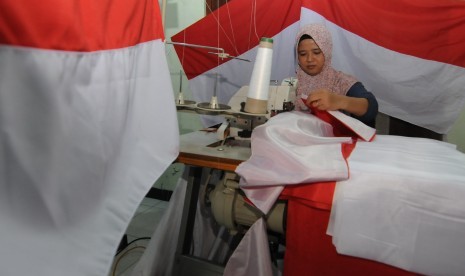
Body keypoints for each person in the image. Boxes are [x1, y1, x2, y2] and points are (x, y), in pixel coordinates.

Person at [295, 23, 378, 127]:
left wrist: (338, 101)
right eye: (303, 54)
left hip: (333, 141)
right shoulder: (292, 83)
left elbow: (371, 108)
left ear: (327, 52)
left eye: (316, 52)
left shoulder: (340, 81)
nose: (310, 59)